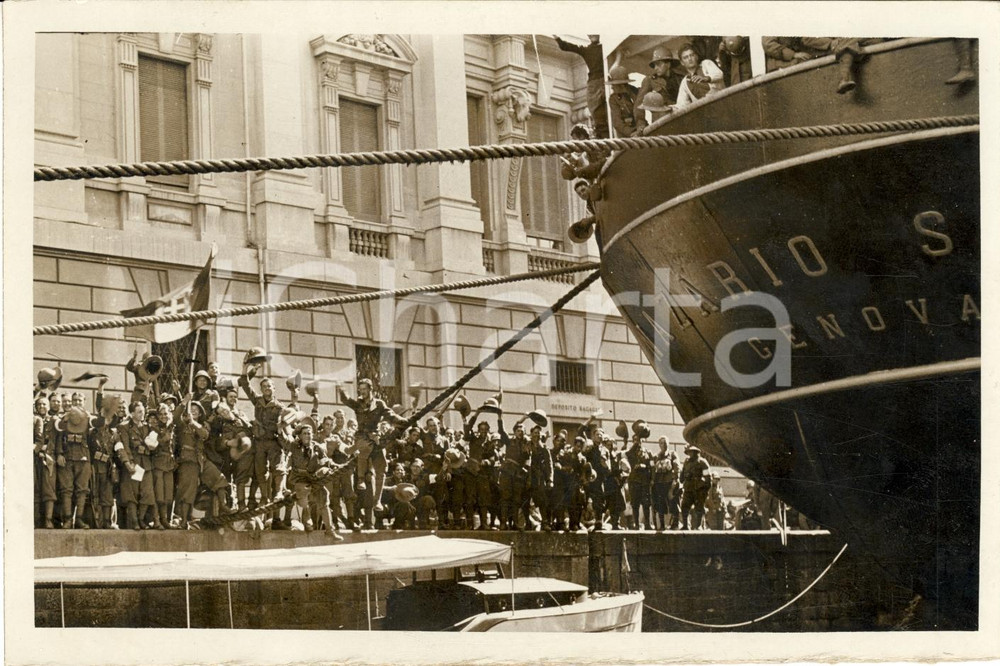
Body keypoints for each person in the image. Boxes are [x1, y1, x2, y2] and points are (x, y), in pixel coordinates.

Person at [336, 379, 408, 526]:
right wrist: (341, 388)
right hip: (362, 436)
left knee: (382, 467)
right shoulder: (358, 403)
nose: (361, 392)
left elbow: (391, 415)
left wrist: (403, 421)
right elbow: (346, 400)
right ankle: (361, 479)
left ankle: (378, 501)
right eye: (360, 389)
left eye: (364, 389)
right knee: (365, 447)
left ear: (370, 389)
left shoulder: (379, 404)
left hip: (375, 437)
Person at [238, 365, 286, 529]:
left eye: (269, 386)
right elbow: (244, 384)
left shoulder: (280, 407)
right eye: (264, 386)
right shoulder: (257, 401)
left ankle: (278, 493)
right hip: (259, 443)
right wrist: (246, 368)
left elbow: (285, 425)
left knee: (278, 468)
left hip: (272, 442)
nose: (266, 389)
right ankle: (265, 497)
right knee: (260, 472)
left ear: (274, 389)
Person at [285, 422, 342, 539]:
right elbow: (284, 441)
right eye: (304, 434)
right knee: (304, 494)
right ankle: (307, 518)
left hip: (313, 478)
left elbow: (326, 460)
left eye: (309, 434)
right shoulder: (294, 446)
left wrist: (334, 465)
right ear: (300, 436)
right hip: (299, 479)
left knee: (324, 496)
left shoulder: (317, 447)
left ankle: (329, 531)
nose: (307, 436)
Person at [554, 34, 609, 138]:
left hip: (597, 83)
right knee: (599, 113)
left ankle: (603, 135)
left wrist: (557, 38)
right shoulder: (594, 49)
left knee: (598, 113)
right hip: (600, 82)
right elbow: (565, 46)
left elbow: (564, 46)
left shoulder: (592, 49)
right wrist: (557, 38)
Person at [633, 46, 684, 135]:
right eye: (654, 65)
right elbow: (638, 105)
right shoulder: (650, 80)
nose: (655, 68)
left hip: (681, 119)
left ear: (668, 64)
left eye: (659, 64)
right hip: (661, 123)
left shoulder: (680, 78)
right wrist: (641, 125)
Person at [674, 43, 724, 108]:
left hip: (722, 102)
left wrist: (706, 78)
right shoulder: (685, 82)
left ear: (696, 57)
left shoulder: (706, 64)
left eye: (691, 55)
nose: (689, 59)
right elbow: (682, 104)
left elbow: (719, 74)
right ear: (682, 62)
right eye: (685, 57)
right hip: (706, 111)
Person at [34, 396, 58, 528]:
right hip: (35, 458)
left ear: (49, 406)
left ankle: (48, 520)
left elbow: (57, 439)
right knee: (36, 487)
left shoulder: (54, 421)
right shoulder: (32, 419)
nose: (42, 407)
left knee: (49, 489)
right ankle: (37, 519)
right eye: (39, 404)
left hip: (49, 458)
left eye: (44, 404)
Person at [625, 429, 653, 530]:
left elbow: (651, 466)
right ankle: (636, 524)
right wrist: (634, 445)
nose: (638, 441)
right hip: (634, 481)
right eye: (635, 440)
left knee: (646, 503)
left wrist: (644, 466)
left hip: (644, 481)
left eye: (639, 439)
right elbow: (628, 455)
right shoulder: (630, 451)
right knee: (635, 504)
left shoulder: (647, 452)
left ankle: (647, 524)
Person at [679, 446, 711, 529]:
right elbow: (682, 474)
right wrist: (682, 478)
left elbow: (708, 478)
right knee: (684, 506)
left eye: (692, 452)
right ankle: (685, 525)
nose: (690, 453)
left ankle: (699, 525)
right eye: (689, 452)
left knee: (699, 508)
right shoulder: (686, 462)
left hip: (698, 489)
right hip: (688, 489)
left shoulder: (702, 462)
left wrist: (704, 490)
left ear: (697, 452)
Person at [607, 65, 638, 138]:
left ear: (622, 85)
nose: (612, 87)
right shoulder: (613, 99)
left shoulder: (635, 92)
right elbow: (617, 123)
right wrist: (631, 133)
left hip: (640, 130)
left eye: (614, 85)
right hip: (626, 136)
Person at [651, 437, 672, 531]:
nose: (663, 445)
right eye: (661, 443)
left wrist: (675, 480)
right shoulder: (656, 456)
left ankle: (674, 524)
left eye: (665, 443)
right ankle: (662, 525)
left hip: (669, 483)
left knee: (672, 503)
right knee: (659, 504)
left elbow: (676, 467)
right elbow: (652, 469)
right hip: (659, 483)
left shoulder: (672, 454)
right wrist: (652, 480)